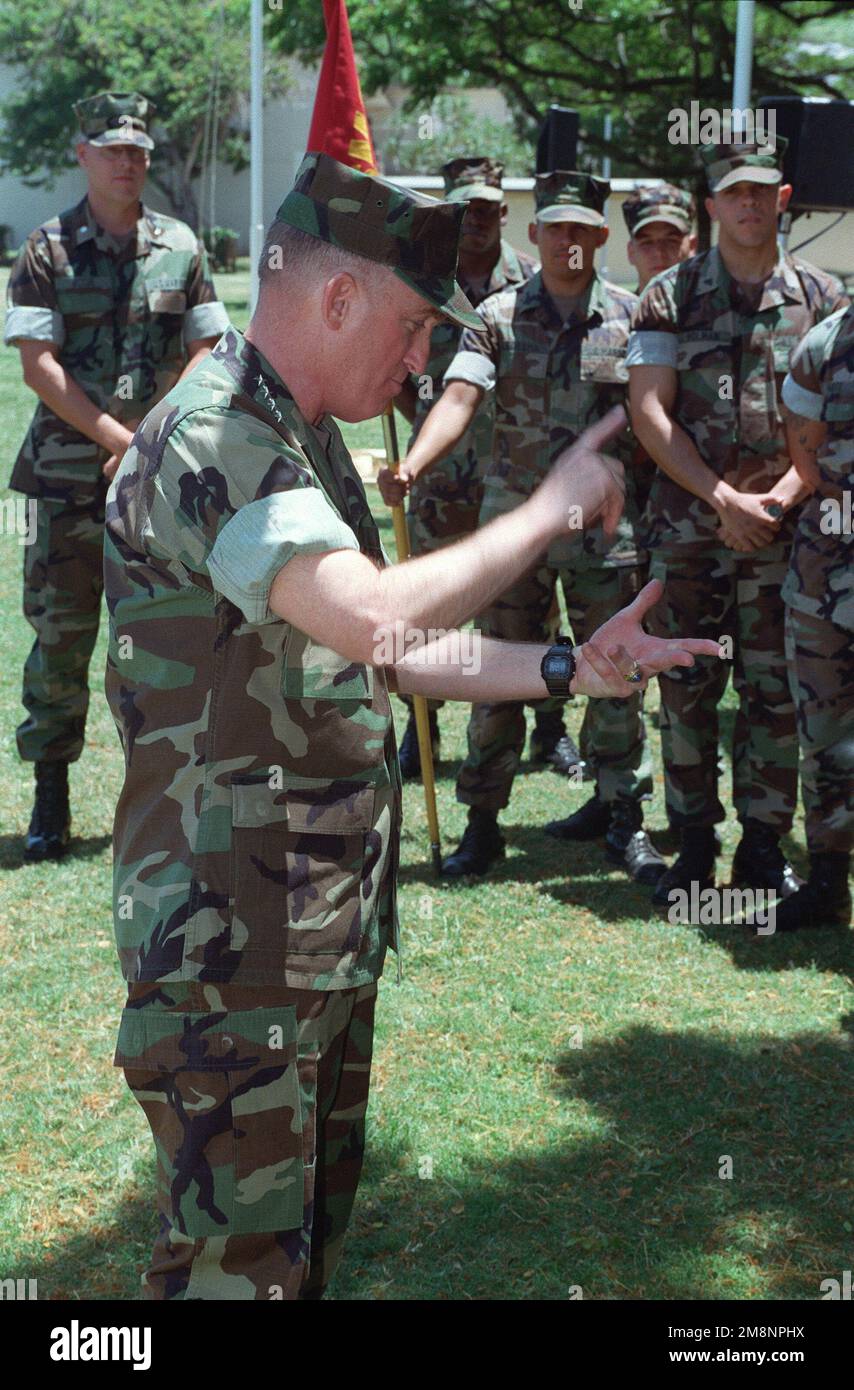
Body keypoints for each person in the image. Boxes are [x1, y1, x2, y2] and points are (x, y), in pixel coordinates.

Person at [103, 151, 720, 1299]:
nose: (422, 355)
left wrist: (566, 668)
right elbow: (378, 619)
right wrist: (541, 513)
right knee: (233, 1274)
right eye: (409, 324)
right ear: (336, 297)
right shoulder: (215, 433)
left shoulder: (296, 431)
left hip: (304, 925)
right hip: (227, 952)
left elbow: (380, 649)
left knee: (297, 1256)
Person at [383, 170, 663, 882]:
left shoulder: (634, 319)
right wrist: (414, 462)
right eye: (555, 227)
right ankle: (482, 822)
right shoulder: (498, 317)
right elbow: (460, 392)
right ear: (533, 234)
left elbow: (660, 415)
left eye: (582, 230)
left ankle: (620, 812)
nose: (568, 240)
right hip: (517, 533)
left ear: (602, 237)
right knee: (499, 671)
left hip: (606, 534)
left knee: (616, 666)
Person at [3, 90, 227, 863]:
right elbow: (39, 368)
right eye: (112, 149)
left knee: (163, 641)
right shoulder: (47, 249)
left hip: (159, 484)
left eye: (138, 150)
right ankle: (51, 796)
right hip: (66, 480)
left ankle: (163, 794)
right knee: (60, 640)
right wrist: (117, 437)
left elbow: (209, 350)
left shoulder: (181, 246)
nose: (128, 161)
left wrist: (151, 433)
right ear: (83, 156)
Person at [627, 138, 849, 908]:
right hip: (692, 529)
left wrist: (780, 498)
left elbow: (830, 425)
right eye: (733, 193)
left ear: (782, 198)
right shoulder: (669, 294)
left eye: (762, 192)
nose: (749, 205)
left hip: (785, 533)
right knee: (686, 684)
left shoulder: (824, 297)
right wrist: (723, 498)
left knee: (774, 693)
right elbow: (648, 410)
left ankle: (762, 846)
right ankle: (692, 845)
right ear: (711, 204)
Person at [380, 155, 568, 782]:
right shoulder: (423, 283)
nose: (477, 221)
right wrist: (420, 425)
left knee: (528, 608)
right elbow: (402, 373)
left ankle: (550, 727)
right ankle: (421, 726)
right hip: (443, 477)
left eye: (488, 209)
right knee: (432, 604)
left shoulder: (535, 283)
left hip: (515, 479)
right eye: (466, 210)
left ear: (504, 214)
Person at [768, 305, 853, 931]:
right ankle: (828, 881)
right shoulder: (822, 344)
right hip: (826, 575)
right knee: (824, 731)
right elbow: (805, 458)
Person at [623, 182, 696, 295]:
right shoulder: (617, 312)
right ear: (631, 252)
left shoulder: (719, 311)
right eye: (647, 242)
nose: (659, 252)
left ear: (692, 246)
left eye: (671, 241)